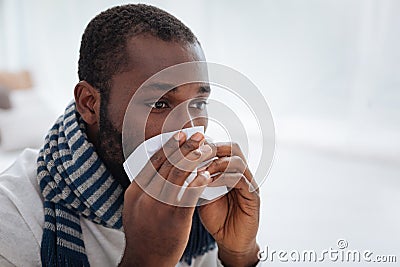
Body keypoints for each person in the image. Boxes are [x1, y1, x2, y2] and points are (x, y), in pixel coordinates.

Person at [0, 4, 260, 266]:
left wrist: (239, 255)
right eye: (160, 104)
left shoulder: (199, 208)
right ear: (90, 103)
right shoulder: (11, 218)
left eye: (197, 104)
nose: (189, 131)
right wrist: (147, 259)